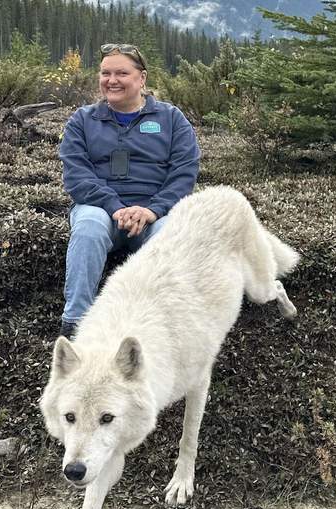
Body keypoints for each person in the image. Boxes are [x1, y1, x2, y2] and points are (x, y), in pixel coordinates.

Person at [58, 43, 201, 338]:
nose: (112, 80)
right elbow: (77, 176)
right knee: (88, 229)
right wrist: (115, 206)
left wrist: (152, 210)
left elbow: (184, 173)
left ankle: (155, 327)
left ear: (142, 78)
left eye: (122, 72)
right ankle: (75, 323)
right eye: (105, 73)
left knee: (168, 236)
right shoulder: (82, 121)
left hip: (153, 214)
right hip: (100, 209)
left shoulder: (171, 119)